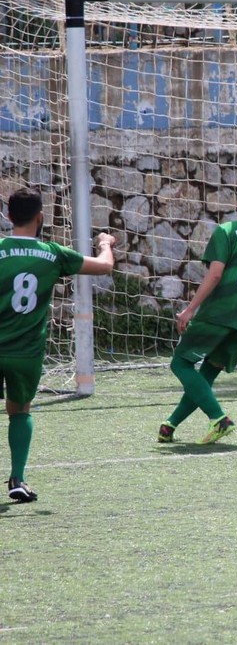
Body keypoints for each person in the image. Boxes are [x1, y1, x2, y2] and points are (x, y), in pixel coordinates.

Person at [0, 187, 116, 502]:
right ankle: (17, 479)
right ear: (41, 217)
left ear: (8, 216)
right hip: (26, 352)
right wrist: (105, 244)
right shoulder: (53, 253)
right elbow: (104, 266)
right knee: (20, 410)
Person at [158, 180, 237, 444]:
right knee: (207, 373)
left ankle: (219, 418)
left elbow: (215, 274)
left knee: (180, 363)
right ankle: (171, 425)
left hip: (219, 313)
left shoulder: (227, 231)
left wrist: (189, 310)